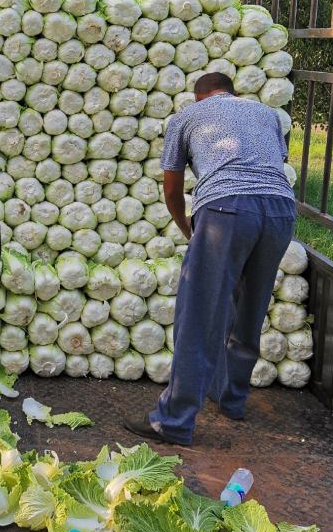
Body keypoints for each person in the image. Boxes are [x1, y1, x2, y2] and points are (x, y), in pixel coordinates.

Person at [126, 71, 296, 447]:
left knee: (199, 312)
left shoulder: (186, 117)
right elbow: (273, 164)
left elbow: (172, 187)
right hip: (282, 210)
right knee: (251, 304)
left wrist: (188, 228)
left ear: (200, 96)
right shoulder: (267, 114)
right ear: (232, 93)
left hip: (227, 210)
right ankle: (231, 399)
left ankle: (173, 420)